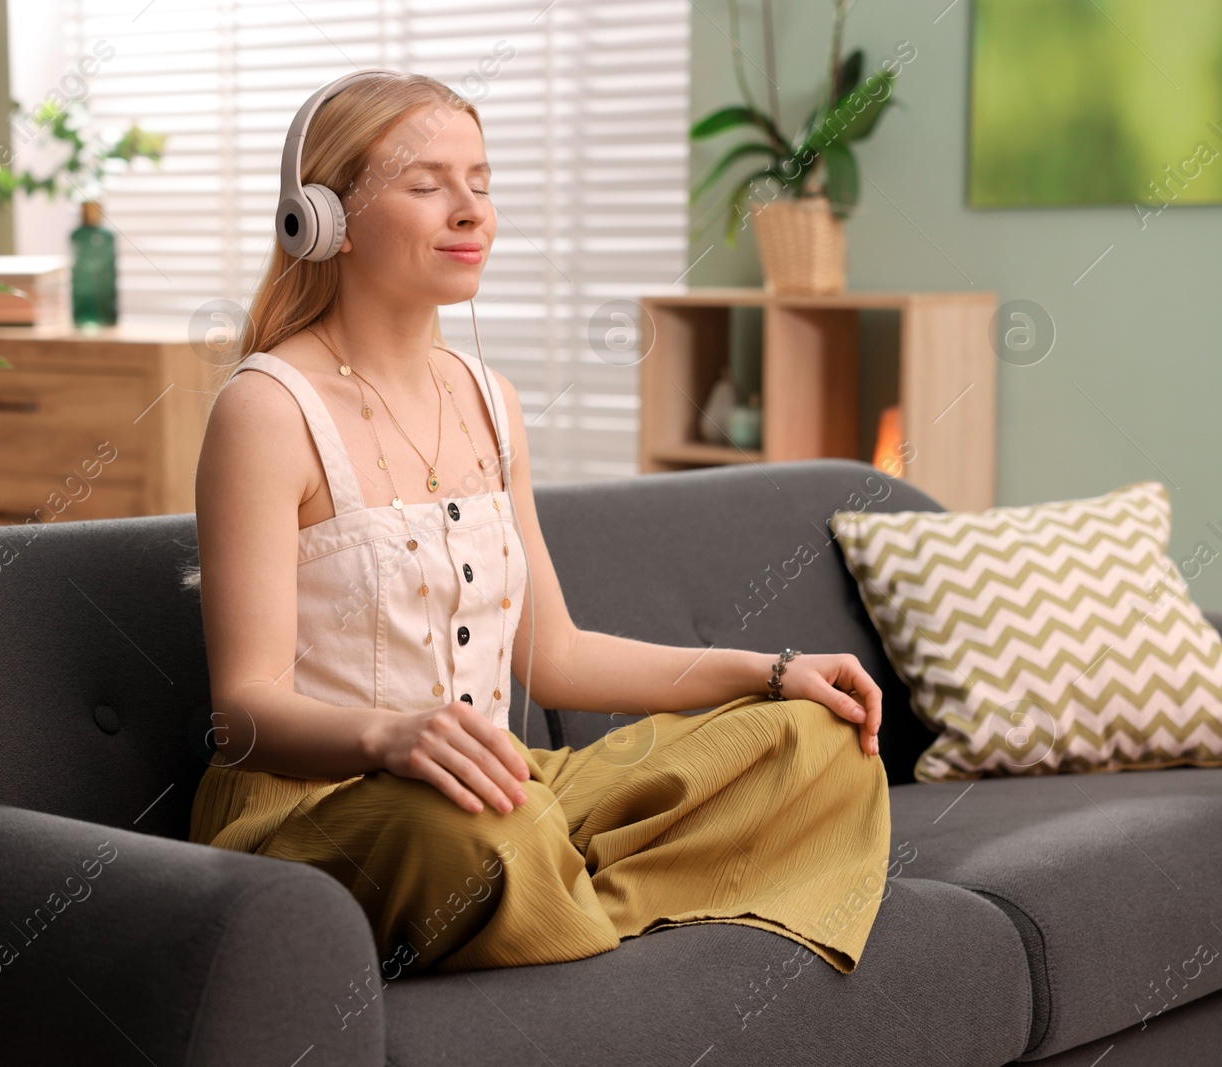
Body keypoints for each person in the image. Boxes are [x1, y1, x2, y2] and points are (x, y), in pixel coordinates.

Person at [186, 70, 891, 979]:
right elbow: (243, 715)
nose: (470, 210)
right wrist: (392, 737)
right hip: (333, 808)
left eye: (480, 181)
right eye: (426, 183)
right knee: (478, 826)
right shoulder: (266, 409)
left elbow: (553, 656)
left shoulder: (492, 400)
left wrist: (775, 671)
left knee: (815, 741)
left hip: (497, 790)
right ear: (323, 216)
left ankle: (553, 904)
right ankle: (565, 893)